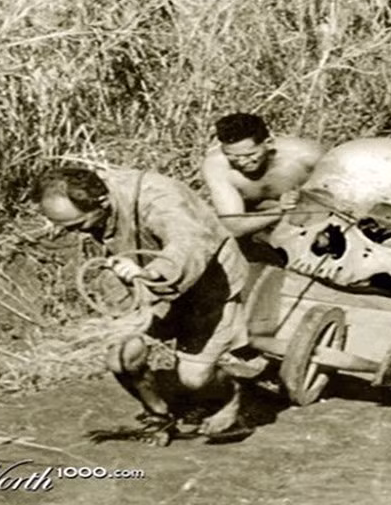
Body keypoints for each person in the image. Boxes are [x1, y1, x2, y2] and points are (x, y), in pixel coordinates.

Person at [36, 165, 258, 444]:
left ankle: (231, 395)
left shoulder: (159, 197)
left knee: (194, 379)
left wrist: (153, 272)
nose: (77, 233)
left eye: (79, 225)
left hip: (208, 284)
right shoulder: (96, 204)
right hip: (143, 283)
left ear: (102, 202)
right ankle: (159, 415)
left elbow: (189, 242)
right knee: (122, 358)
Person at [201, 113, 324, 250]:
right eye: (232, 156)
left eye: (250, 155)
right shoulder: (216, 166)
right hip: (257, 233)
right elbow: (233, 226)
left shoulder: (307, 155)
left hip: (314, 225)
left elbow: (343, 195)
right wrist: (280, 210)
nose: (242, 162)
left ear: (269, 143)